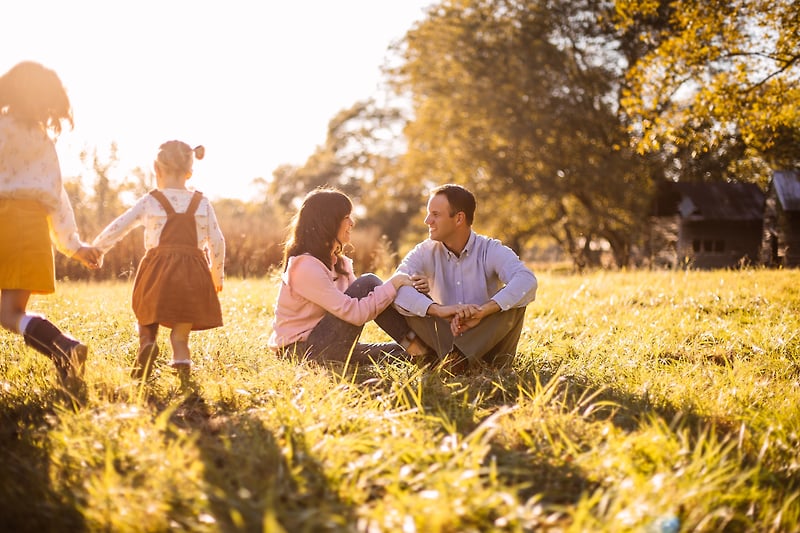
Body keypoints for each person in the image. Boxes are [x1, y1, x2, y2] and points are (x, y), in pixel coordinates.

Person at [0, 61, 101, 388]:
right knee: (12, 312)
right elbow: (57, 197)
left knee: (6, 315)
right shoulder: (44, 142)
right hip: (32, 230)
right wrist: (74, 245)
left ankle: (63, 348)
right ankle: (63, 346)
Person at [93, 140, 224, 380]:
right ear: (189, 172)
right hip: (193, 274)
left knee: (146, 311)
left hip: (158, 269)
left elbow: (120, 226)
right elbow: (217, 241)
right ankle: (183, 370)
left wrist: (97, 248)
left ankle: (147, 342)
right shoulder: (202, 202)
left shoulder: (151, 200)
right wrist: (217, 275)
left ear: (157, 170)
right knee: (180, 336)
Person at [393, 183, 538, 371]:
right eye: (429, 214)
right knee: (397, 294)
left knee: (515, 297)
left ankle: (459, 360)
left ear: (459, 218)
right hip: (443, 343)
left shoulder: (490, 249)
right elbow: (395, 286)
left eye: (435, 214)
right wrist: (438, 310)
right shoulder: (424, 251)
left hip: (489, 349)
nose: (427, 221)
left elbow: (527, 280)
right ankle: (439, 357)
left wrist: (484, 311)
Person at [267, 187, 420, 364]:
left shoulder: (340, 264)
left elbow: (368, 304)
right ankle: (420, 347)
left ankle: (427, 350)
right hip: (299, 352)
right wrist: (395, 283)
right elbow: (355, 314)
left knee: (404, 354)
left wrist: (405, 286)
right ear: (328, 222)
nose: (352, 223)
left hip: (331, 344)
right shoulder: (305, 267)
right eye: (346, 217)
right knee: (369, 282)